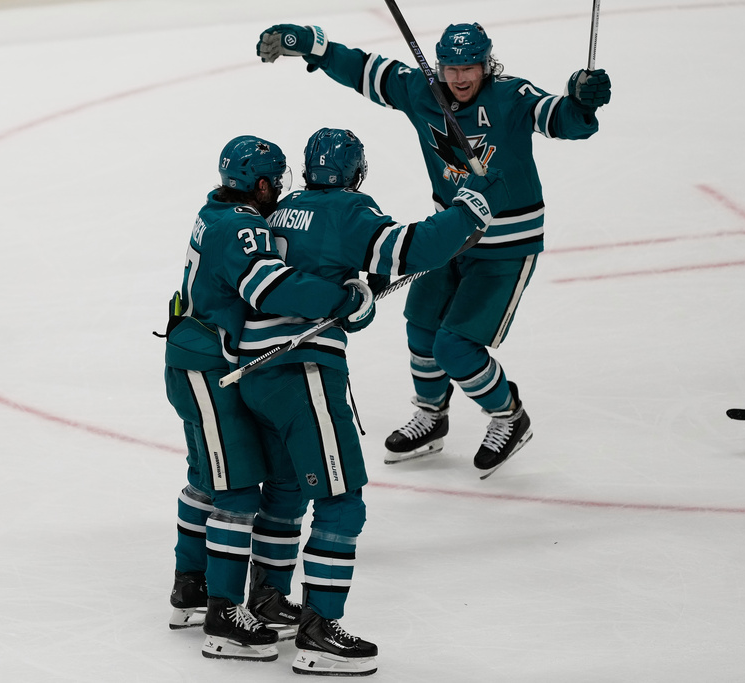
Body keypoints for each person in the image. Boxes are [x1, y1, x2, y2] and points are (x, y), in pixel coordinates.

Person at [256, 21, 612, 476]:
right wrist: (313, 45)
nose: (460, 78)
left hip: (507, 246)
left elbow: (561, 119)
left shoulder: (511, 97)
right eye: (451, 67)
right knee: (421, 327)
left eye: (470, 67)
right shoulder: (424, 92)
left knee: (456, 346)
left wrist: (581, 101)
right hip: (451, 239)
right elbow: (366, 70)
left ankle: (509, 416)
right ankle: (432, 415)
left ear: (487, 65)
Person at [236, 127, 509, 676]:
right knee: (342, 499)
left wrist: (350, 297)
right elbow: (408, 250)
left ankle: (265, 600)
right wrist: (469, 210)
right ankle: (317, 631)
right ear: (356, 174)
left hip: (258, 370)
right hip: (304, 369)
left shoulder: (283, 208)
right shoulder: (348, 210)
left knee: (287, 490)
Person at [160, 134, 374, 662]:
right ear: (258, 184)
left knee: (210, 479)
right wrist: (341, 299)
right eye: (275, 184)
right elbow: (270, 287)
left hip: (198, 355)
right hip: (206, 365)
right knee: (233, 488)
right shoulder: (241, 226)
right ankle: (224, 614)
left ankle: (193, 588)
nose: (279, 192)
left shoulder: (215, 210)